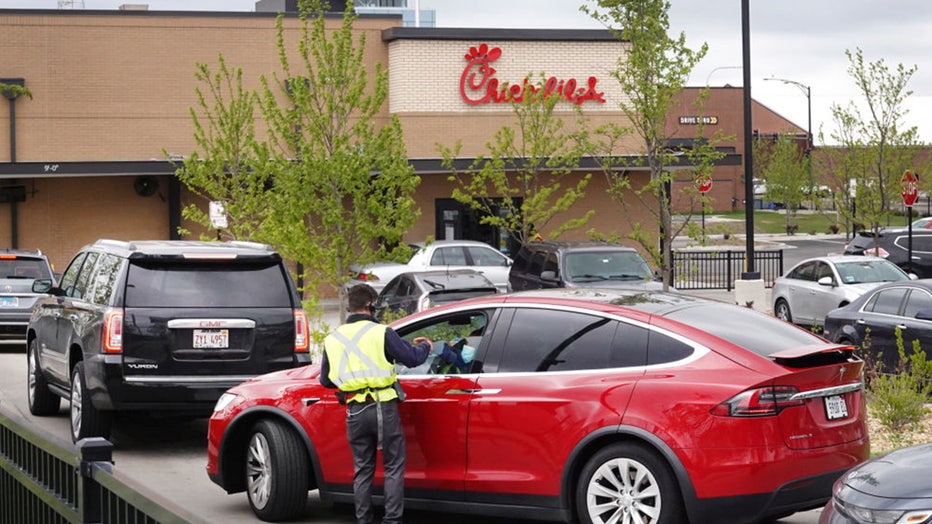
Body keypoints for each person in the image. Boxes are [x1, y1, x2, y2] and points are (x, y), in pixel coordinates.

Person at [320, 283, 431, 524]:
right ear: (370, 305)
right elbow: (412, 359)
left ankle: (364, 520)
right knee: (393, 467)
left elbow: (326, 380)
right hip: (383, 407)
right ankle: (392, 521)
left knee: (362, 469)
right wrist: (425, 347)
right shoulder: (381, 333)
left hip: (354, 411)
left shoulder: (333, 339)